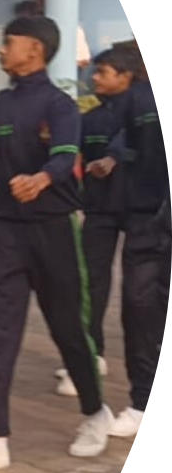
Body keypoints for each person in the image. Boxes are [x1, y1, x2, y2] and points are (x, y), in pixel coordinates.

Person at [0, 16, 115, 473]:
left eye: (9, 42)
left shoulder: (59, 106)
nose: (1, 50)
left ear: (34, 50)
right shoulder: (0, 105)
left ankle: (95, 412)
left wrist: (41, 179)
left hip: (52, 229)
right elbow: (2, 160)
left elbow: (64, 155)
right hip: (4, 231)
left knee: (67, 329)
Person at [84, 40, 163, 446]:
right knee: (140, 306)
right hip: (149, 220)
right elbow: (119, 135)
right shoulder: (136, 100)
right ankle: (143, 403)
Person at [60, 47, 131, 398]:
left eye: (103, 72)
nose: (95, 78)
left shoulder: (146, 112)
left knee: (144, 291)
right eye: (96, 72)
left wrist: (115, 156)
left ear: (125, 76)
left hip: (143, 211)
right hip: (99, 208)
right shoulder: (90, 118)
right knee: (91, 280)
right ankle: (92, 353)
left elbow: (135, 137)